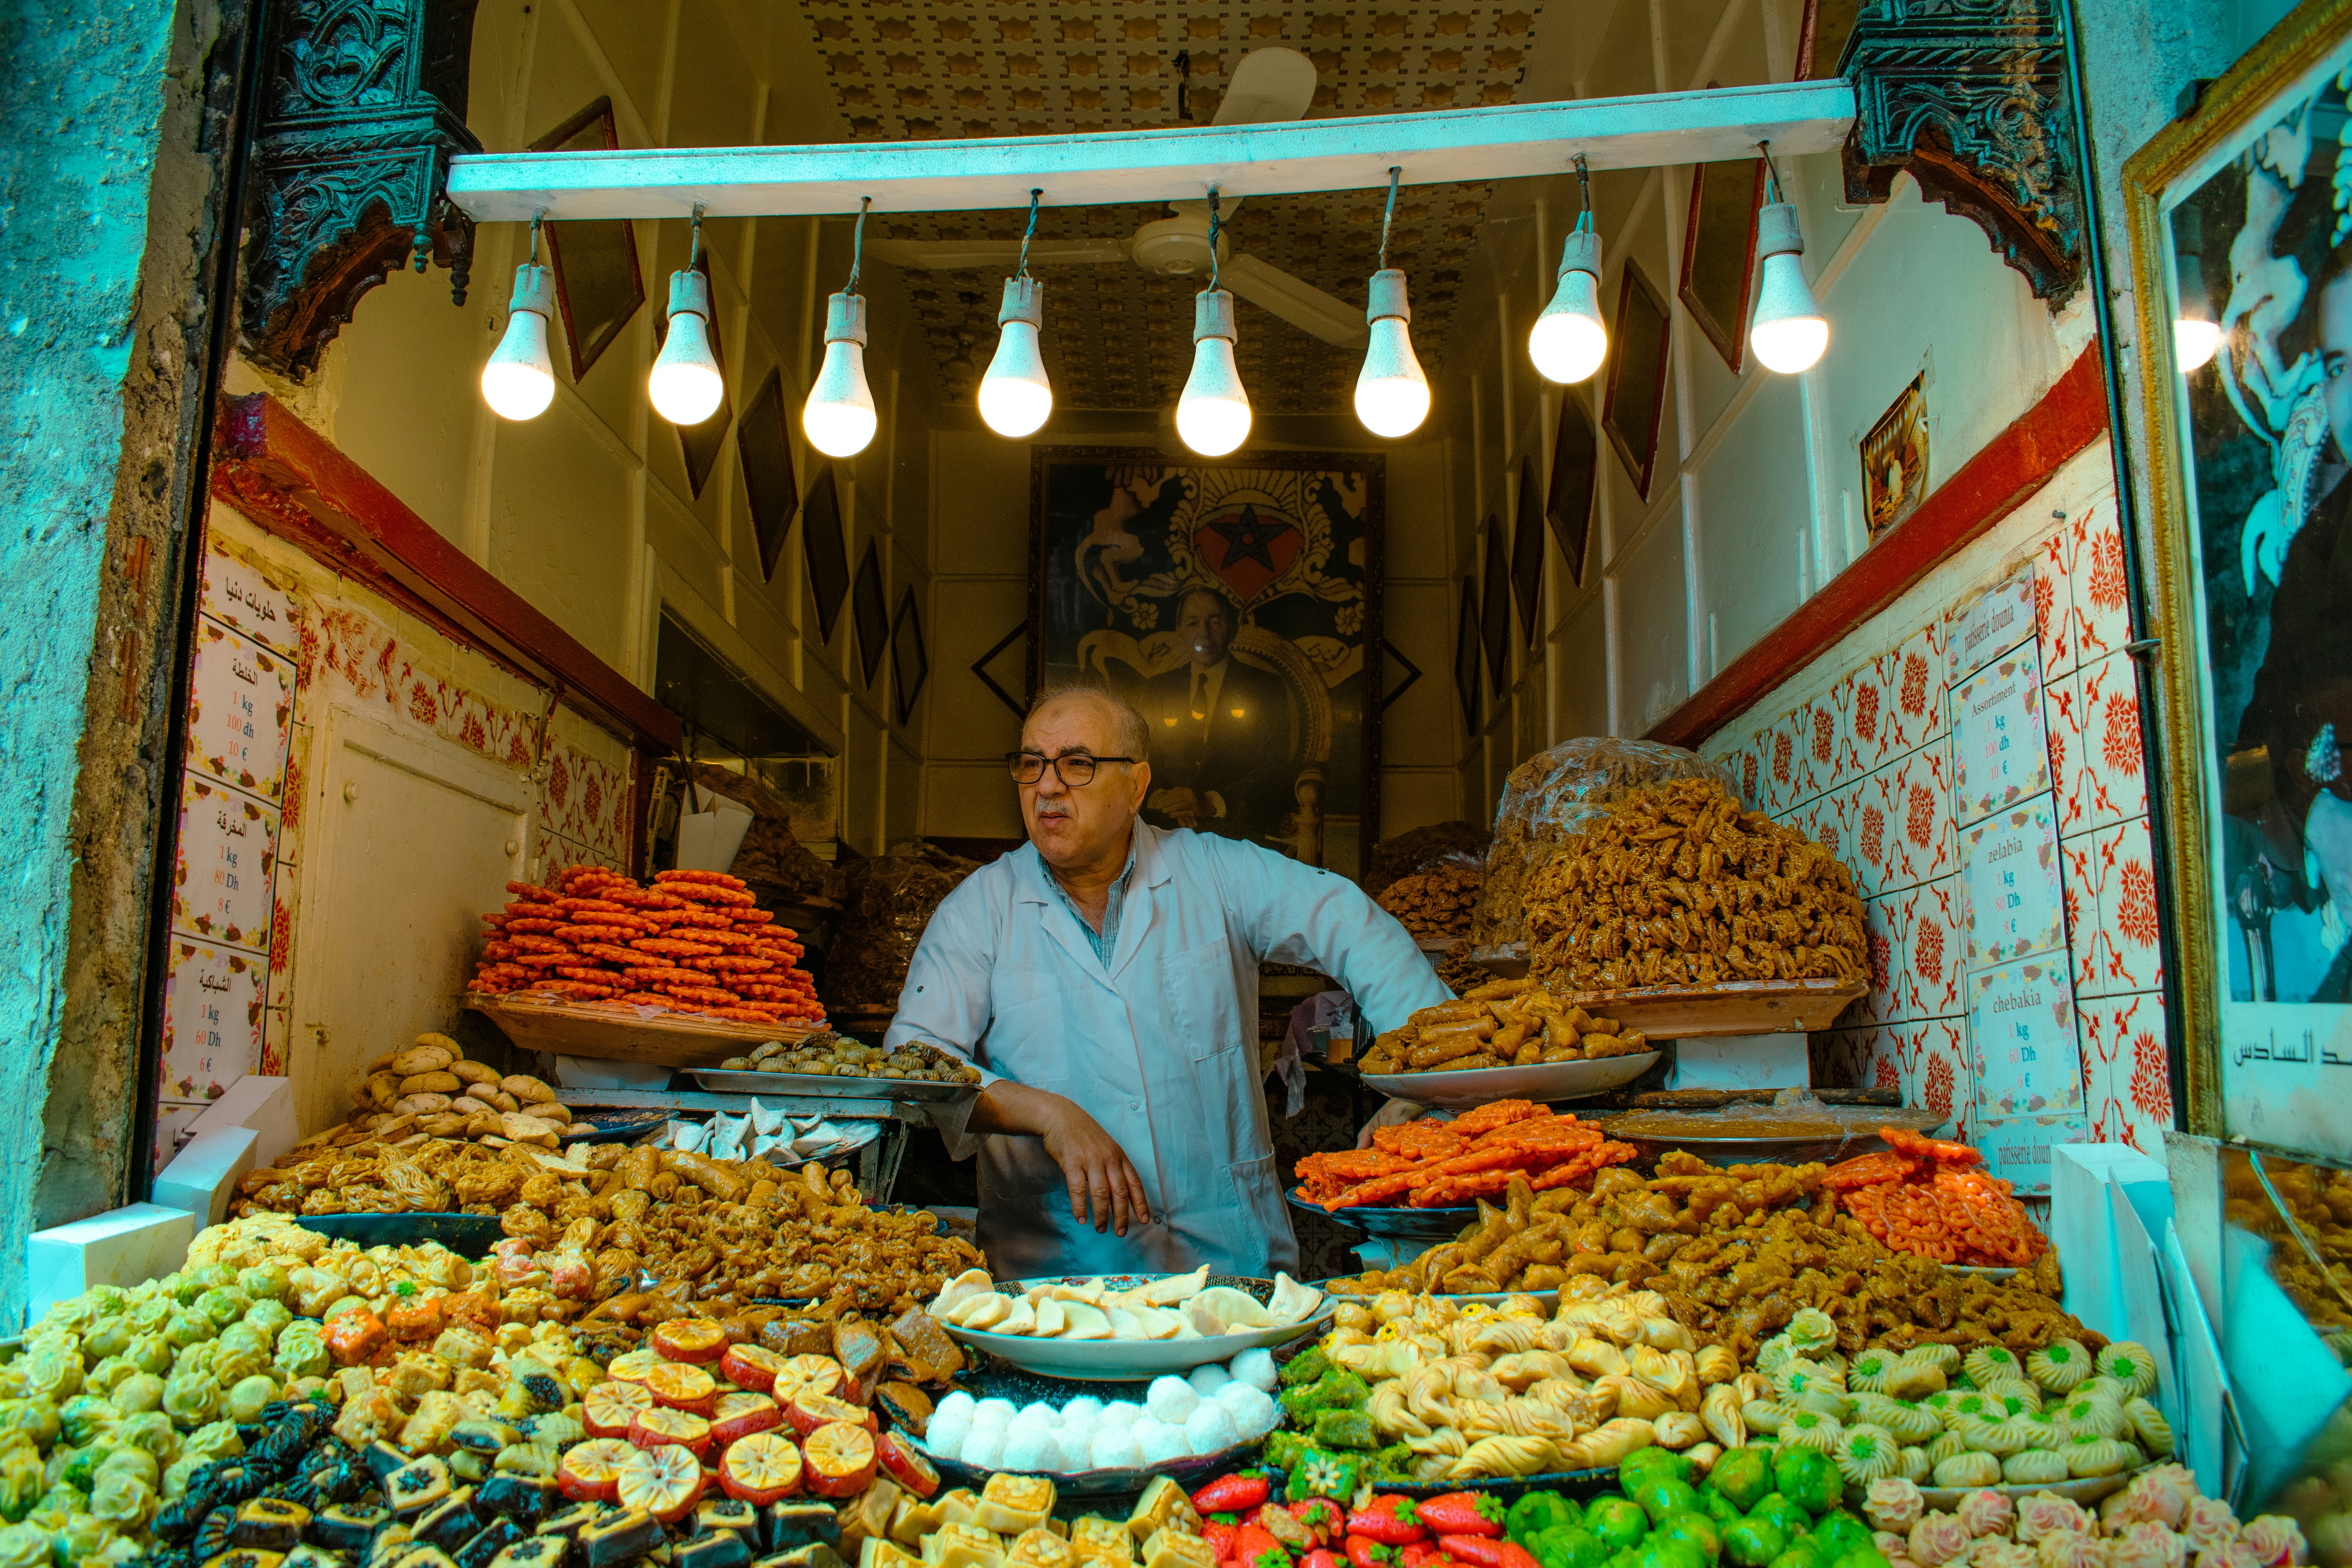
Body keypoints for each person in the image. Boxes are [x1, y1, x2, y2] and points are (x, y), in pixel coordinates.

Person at [884, 684, 1448, 1279]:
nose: (1047, 786)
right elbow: (916, 1060)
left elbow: (1351, 922)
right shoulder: (980, 908)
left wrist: (1428, 1083)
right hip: (1061, 1277)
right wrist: (1050, 1115)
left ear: (1136, 785)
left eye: (1077, 764)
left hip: (1228, 1260)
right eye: (1031, 765)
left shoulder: (1215, 873)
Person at [1132, 588, 1296, 845]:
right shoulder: (1159, 688)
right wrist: (1165, 799)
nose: (1204, 633)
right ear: (1180, 631)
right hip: (1164, 829)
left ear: (1233, 629)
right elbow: (1140, 758)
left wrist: (1209, 803)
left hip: (1235, 831)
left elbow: (1275, 769)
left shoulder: (1266, 688)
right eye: (1193, 622)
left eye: (1215, 622)